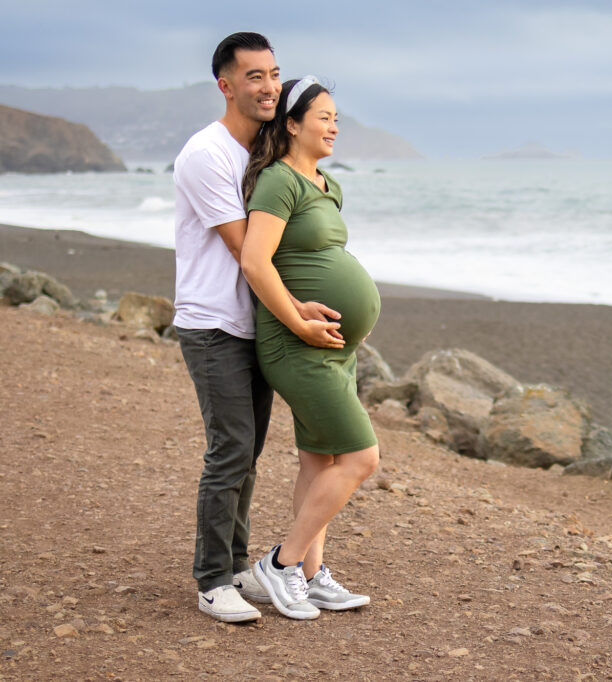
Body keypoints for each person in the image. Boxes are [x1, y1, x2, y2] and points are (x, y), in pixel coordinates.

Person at [173, 34, 344, 623]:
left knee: (247, 455)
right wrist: (298, 312)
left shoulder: (262, 155)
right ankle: (212, 578)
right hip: (213, 322)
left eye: (274, 74)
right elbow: (247, 250)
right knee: (230, 451)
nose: (269, 86)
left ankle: (238, 562)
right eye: (254, 77)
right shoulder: (207, 154)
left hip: (254, 325)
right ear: (226, 85)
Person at [241, 76, 380, 620]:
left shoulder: (326, 185)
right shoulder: (278, 182)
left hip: (333, 348)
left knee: (318, 460)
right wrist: (300, 324)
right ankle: (281, 564)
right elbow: (255, 261)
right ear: (292, 123)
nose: (334, 126)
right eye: (323, 116)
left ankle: (310, 574)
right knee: (361, 457)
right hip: (294, 345)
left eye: (337, 117)